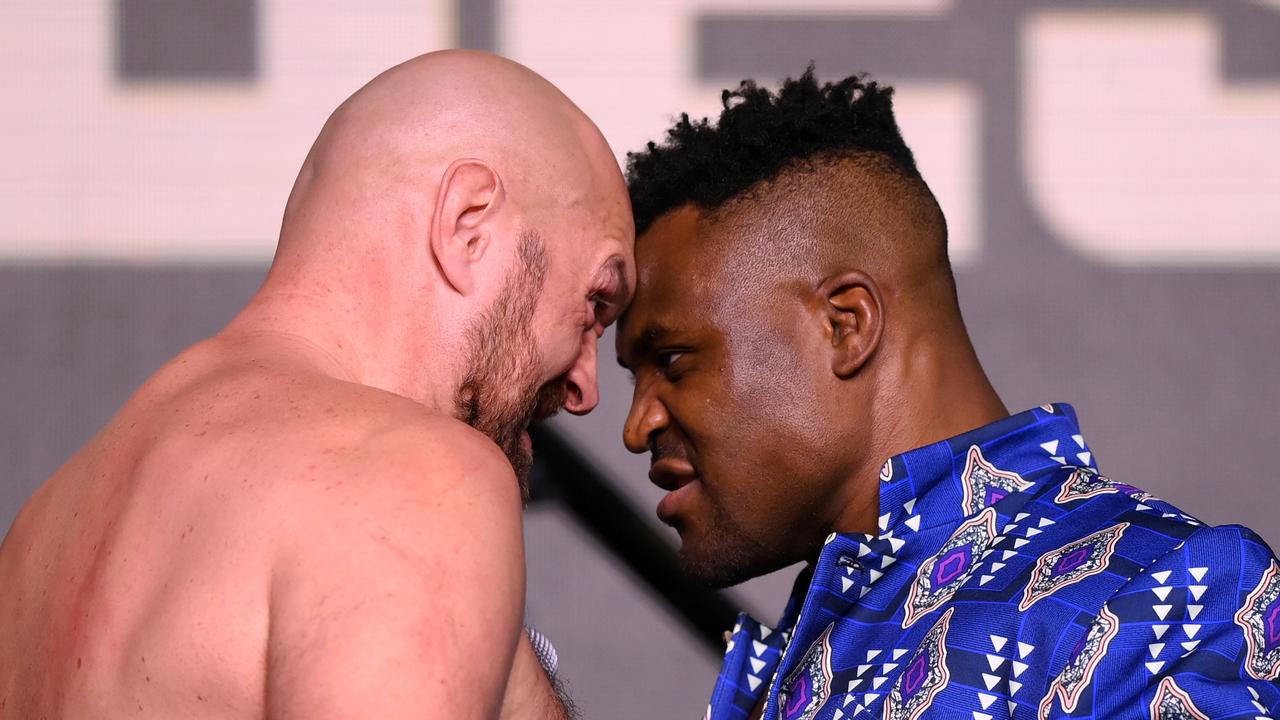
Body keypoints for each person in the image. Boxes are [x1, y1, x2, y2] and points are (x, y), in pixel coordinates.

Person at [617, 68, 1280, 719]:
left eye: (672, 360)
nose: (636, 424)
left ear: (846, 326)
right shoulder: (801, 657)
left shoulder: (1166, 596)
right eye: (631, 375)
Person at [0, 50, 633, 718]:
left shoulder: (40, 532)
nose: (585, 387)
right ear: (467, 224)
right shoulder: (408, 476)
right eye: (595, 303)